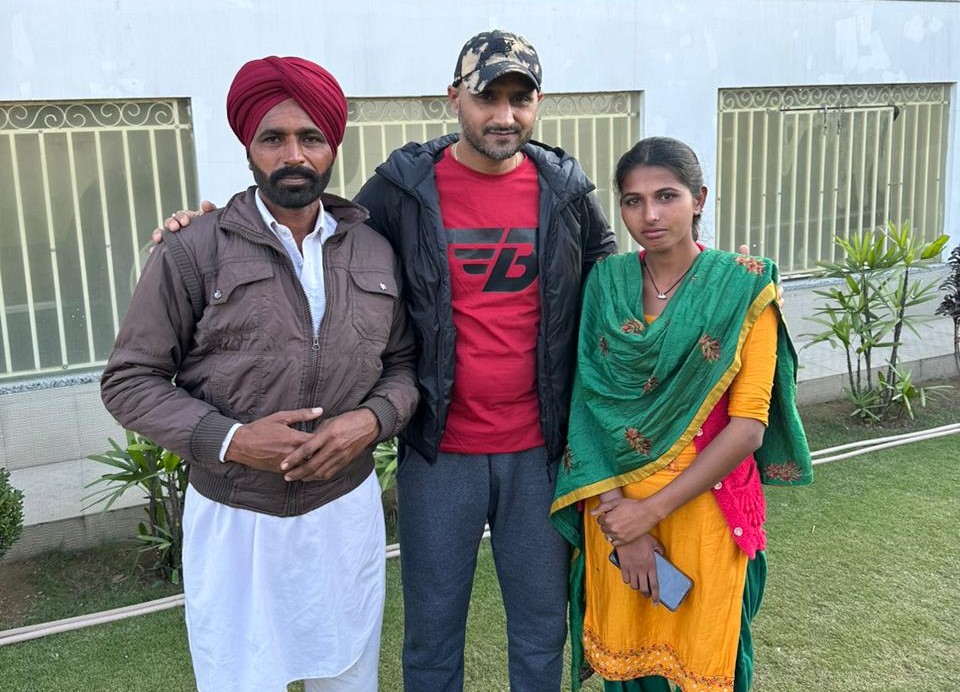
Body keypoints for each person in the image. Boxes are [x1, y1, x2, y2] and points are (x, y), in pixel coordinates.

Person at [157, 30, 618, 692]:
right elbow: (318, 233)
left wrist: (700, 269)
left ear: (538, 104)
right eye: (488, 97)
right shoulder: (404, 188)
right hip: (439, 451)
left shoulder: (566, 191)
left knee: (543, 630)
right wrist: (207, 226)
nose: (504, 115)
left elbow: (616, 284)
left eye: (521, 99)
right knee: (431, 635)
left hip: (541, 454)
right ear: (454, 97)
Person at [101, 56, 419, 692]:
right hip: (235, 519)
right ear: (248, 147)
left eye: (311, 137)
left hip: (344, 513)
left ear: (333, 146)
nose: (293, 155)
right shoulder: (193, 248)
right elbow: (129, 380)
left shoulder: (374, 249)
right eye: (273, 138)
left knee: (348, 677)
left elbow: (405, 365)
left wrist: (370, 421)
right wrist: (232, 439)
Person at [549, 137, 813, 692]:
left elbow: (748, 428)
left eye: (666, 196)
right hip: (613, 510)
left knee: (709, 663)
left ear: (699, 199)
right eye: (633, 201)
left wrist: (648, 514)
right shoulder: (607, 282)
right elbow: (588, 409)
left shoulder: (742, 286)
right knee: (629, 669)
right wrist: (625, 529)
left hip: (704, 512)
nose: (649, 215)